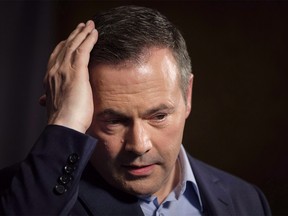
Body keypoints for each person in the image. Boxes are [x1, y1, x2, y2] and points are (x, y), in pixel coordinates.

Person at [0, 5, 271, 215]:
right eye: (114, 120)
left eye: (159, 116)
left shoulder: (247, 200)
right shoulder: (20, 194)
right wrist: (64, 122)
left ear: (187, 95)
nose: (139, 145)